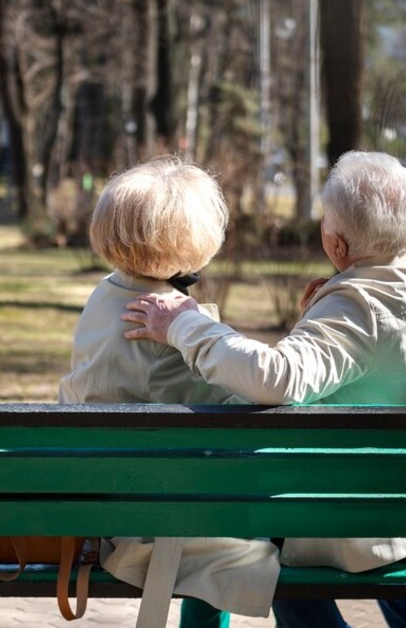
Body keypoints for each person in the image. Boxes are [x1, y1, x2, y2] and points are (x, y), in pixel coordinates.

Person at [122, 150, 406, 628]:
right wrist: (320, 316)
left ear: (338, 243)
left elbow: (276, 379)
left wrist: (184, 324)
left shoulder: (360, 305)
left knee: (266, 533)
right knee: (378, 507)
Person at [58, 155, 280, 620]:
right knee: (257, 542)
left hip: (106, 492)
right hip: (148, 518)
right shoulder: (164, 325)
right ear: (195, 238)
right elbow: (237, 413)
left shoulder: (106, 294)